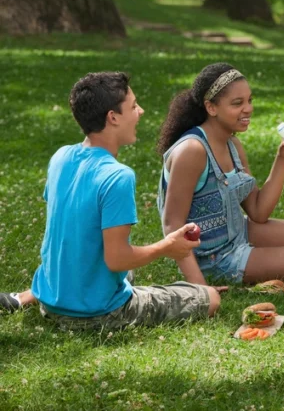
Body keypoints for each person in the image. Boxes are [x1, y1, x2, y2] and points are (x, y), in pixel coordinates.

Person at [27, 72, 220, 330]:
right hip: (97, 314)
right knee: (210, 298)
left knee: (126, 272)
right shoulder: (117, 176)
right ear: (113, 117)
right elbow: (117, 259)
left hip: (50, 302)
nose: (140, 111)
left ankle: (27, 297)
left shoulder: (61, 157)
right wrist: (166, 247)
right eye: (133, 106)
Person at [157, 63, 284, 285]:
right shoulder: (192, 151)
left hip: (239, 232)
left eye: (249, 100)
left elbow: (258, 212)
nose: (248, 108)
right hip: (216, 258)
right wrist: (200, 288)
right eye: (237, 103)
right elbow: (172, 224)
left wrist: (282, 158)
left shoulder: (232, 145)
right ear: (211, 108)